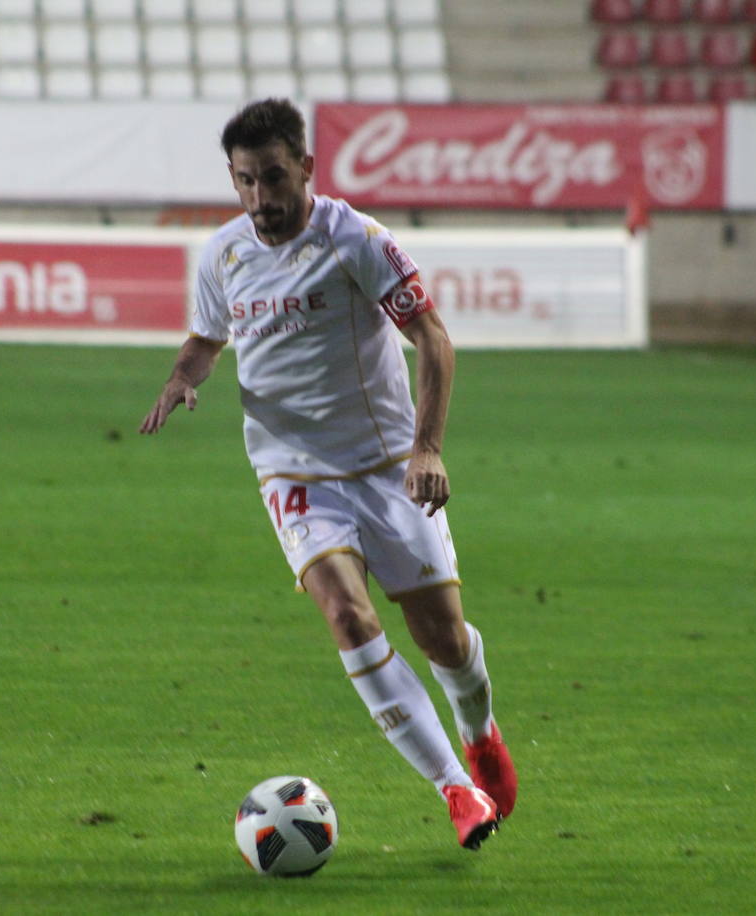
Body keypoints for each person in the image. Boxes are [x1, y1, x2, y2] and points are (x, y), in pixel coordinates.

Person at [139, 98, 517, 850]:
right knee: (348, 617)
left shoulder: (357, 240)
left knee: (441, 639)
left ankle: (479, 734)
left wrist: (428, 447)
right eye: (245, 181)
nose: (260, 199)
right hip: (293, 474)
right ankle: (455, 790)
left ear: (306, 167)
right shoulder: (222, 254)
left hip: (386, 469)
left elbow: (433, 339)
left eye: (273, 178)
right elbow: (207, 339)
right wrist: (186, 375)